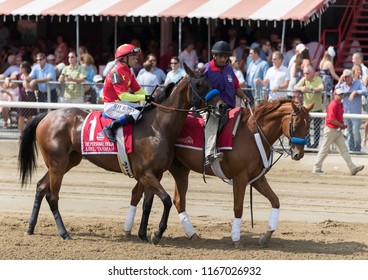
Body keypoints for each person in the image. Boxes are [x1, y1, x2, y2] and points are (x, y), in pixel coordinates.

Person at [202, 41, 249, 165]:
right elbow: (198, 88)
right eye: (220, 56)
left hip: (229, 107)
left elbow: (236, 86)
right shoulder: (206, 70)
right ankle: (209, 153)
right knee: (214, 119)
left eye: (225, 57)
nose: (223, 59)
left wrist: (244, 96)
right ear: (214, 56)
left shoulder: (229, 69)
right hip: (211, 109)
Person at [102, 44, 149, 142]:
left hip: (120, 103)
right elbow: (123, 96)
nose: (136, 59)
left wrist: (150, 97)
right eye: (133, 57)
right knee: (137, 113)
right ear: (124, 59)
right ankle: (110, 127)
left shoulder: (129, 72)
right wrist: (143, 97)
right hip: (111, 105)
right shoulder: (116, 72)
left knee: (144, 109)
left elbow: (138, 90)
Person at [312, 88, 364, 176]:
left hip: (336, 130)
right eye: (339, 94)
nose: (341, 95)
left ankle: (352, 168)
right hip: (331, 130)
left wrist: (341, 125)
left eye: (342, 94)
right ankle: (316, 167)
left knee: (344, 150)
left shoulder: (339, 104)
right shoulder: (333, 105)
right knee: (325, 149)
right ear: (335, 95)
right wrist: (342, 125)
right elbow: (332, 120)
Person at [336, 69, 367, 152]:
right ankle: (351, 148)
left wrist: (355, 92)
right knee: (349, 131)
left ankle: (357, 148)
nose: (346, 79)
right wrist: (339, 80)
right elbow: (336, 91)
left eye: (348, 77)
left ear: (352, 77)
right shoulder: (342, 86)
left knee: (355, 131)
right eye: (345, 77)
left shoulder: (358, 83)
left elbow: (366, 91)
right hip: (346, 113)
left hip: (355, 113)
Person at [294, 65, 324, 149]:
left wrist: (310, 89)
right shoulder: (304, 79)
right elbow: (295, 86)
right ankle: (308, 144)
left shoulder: (318, 79)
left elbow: (321, 87)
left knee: (317, 128)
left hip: (317, 108)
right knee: (305, 127)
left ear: (312, 73)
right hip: (306, 109)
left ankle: (315, 146)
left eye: (307, 73)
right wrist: (301, 88)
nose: (305, 75)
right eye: (304, 73)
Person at [6, 61, 37, 133]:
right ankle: (21, 133)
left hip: (30, 96)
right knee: (21, 116)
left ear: (25, 68)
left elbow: (34, 87)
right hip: (22, 97)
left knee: (30, 116)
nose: (20, 69)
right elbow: (11, 78)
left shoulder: (31, 75)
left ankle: (30, 132)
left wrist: (27, 84)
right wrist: (8, 79)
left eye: (21, 67)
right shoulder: (18, 75)